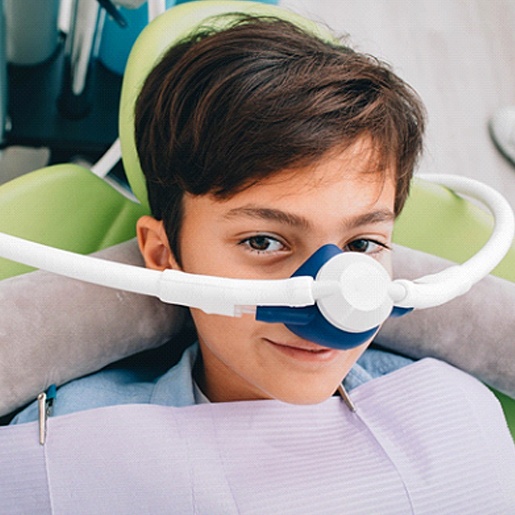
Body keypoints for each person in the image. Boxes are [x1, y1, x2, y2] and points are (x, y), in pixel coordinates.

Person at [8, 14, 515, 509]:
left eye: (361, 245)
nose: (330, 299)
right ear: (163, 255)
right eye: (264, 242)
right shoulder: (64, 447)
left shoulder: (455, 414)